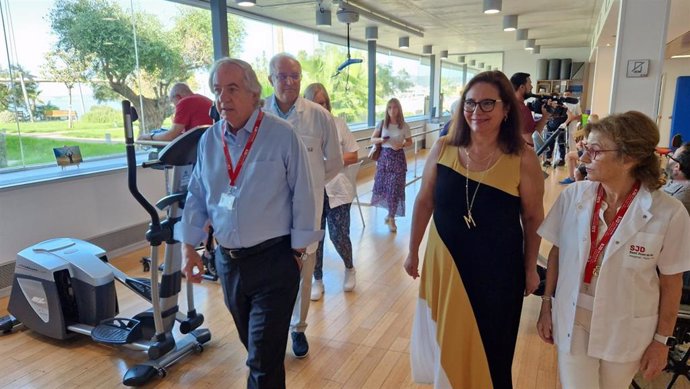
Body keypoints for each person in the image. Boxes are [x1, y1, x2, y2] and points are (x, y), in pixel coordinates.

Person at [178, 58, 321, 389]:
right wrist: (189, 248)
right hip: (228, 265)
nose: (223, 98)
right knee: (259, 351)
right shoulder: (209, 141)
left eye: (232, 89)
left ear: (255, 94)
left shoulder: (281, 135)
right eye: (217, 90)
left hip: (275, 262)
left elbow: (304, 194)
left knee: (261, 360)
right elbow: (197, 197)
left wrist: (298, 253)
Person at [404, 70, 544, 388]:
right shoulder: (443, 148)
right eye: (470, 103)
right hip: (445, 265)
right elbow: (424, 202)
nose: (475, 111)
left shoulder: (523, 158)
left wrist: (530, 267)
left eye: (487, 104)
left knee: (492, 350)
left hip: (499, 273)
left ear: (507, 109)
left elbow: (534, 218)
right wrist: (413, 251)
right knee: (447, 342)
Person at [536, 111, 690, 389]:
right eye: (585, 149)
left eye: (594, 151)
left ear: (629, 157)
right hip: (573, 321)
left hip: (627, 329)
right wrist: (546, 305)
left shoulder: (669, 212)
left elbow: (672, 281)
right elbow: (557, 253)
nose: (583, 159)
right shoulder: (573, 197)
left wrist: (661, 341)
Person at [263, 53, 343, 358]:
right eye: (281, 76)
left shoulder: (319, 116)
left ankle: (298, 328)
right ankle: (271, 328)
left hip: (307, 209)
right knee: (269, 269)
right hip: (267, 209)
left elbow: (334, 162)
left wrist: (309, 186)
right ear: (270, 80)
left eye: (294, 76)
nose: (288, 82)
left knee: (304, 268)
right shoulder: (259, 116)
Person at [303, 83, 359, 300]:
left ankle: (349, 267)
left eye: (324, 102)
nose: (322, 107)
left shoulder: (338, 124)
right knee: (315, 238)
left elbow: (353, 154)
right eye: (317, 103)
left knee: (338, 234)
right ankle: (317, 279)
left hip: (338, 189)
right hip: (312, 191)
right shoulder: (301, 129)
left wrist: (326, 162)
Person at [370, 98, 413, 233]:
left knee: (395, 189)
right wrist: (382, 140)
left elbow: (410, 141)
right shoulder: (382, 124)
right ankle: (390, 215)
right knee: (386, 189)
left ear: (399, 109)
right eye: (389, 108)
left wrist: (402, 144)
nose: (392, 110)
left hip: (398, 158)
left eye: (395, 107)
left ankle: (391, 217)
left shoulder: (404, 125)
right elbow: (372, 139)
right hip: (384, 159)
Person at [138, 82, 213, 141]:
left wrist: (149, 136)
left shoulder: (185, 102)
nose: (174, 106)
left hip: (196, 148)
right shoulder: (205, 99)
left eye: (172, 101)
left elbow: (171, 135)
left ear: (178, 97)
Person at [510, 72, 550, 147]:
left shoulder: (512, 105)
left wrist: (545, 115)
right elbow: (532, 137)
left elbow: (528, 128)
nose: (531, 87)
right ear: (522, 87)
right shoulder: (521, 109)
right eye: (530, 84)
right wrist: (545, 116)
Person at [663, 142, 690, 214]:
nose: (670, 155)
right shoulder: (678, 179)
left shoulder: (679, 199)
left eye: (672, 156)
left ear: (676, 167)